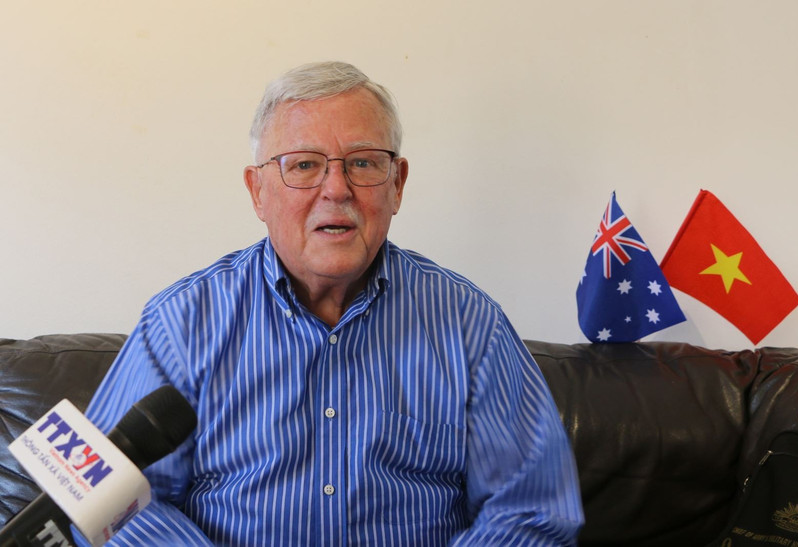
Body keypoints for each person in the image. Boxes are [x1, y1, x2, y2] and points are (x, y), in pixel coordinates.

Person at [80, 61, 584, 545]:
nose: (336, 189)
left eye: (363, 163)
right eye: (304, 165)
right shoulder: (182, 323)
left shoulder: (471, 325)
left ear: (397, 184)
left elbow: (532, 509)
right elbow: (105, 497)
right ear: (258, 192)